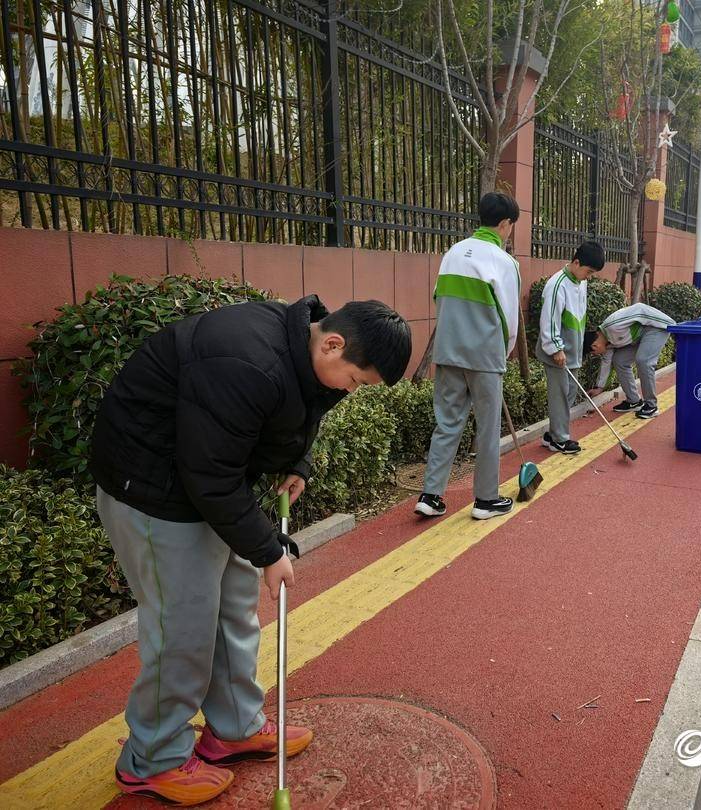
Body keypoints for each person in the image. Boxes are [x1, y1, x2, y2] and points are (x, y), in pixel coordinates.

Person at [90, 296, 411, 805]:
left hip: (205, 482)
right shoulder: (246, 360)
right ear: (334, 343)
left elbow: (302, 408)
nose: (352, 392)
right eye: (356, 381)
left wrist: (298, 462)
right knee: (183, 627)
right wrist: (267, 550)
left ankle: (235, 727)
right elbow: (210, 474)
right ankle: (152, 758)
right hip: (153, 489)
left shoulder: (304, 349)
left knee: (234, 607)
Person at [415, 191, 521, 521]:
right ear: (505, 224)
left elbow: (438, 298)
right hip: (485, 356)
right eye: (511, 227)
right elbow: (510, 318)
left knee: (447, 424)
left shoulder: (453, 253)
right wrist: (502, 356)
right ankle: (486, 500)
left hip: (448, 351)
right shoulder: (504, 262)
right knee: (487, 429)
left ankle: (431, 496)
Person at [535, 241, 606, 454]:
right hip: (556, 352)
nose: (589, 276)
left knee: (570, 392)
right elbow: (549, 321)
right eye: (589, 271)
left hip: (572, 352)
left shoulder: (580, 282)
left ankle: (551, 434)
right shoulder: (557, 285)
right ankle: (559, 439)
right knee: (560, 394)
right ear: (576, 262)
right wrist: (556, 348)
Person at [584, 303, 675, 420]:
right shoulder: (607, 345)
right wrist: (599, 387)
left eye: (593, 353)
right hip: (639, 337)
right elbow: (606, 363)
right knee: (619, 361)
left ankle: (651, 406)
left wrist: (670, 323)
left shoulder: (612, 325)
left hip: (655, 328)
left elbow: (640, 309)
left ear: (595, 345)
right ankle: (634, 401)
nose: (595, 355)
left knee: (644, 361)